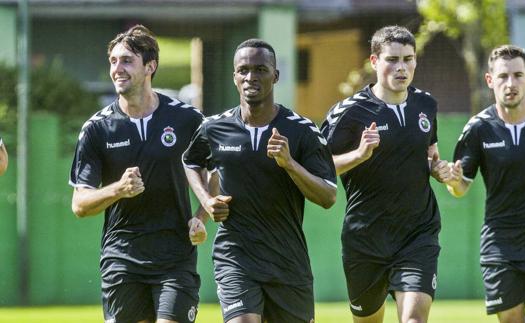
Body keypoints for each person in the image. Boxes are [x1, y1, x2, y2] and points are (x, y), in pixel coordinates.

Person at [182, 38, 337, 323]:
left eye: (260, 69)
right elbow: (191, 161)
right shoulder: (214, 128)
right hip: (236, 257)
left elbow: (328, 196)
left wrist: (290, 164)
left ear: (275, 76)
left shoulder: (302, 131)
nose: (251, 77)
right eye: (243, 70)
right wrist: (206, 201)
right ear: (234, 77)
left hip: (288, 261)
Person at [69, 25, 207, 323]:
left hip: (175, 256)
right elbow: (79, 204)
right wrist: (118, 189)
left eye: (127, 60)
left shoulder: (187, 119)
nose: (117, 68)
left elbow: (216, 169)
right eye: (113, 61)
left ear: (150, 66)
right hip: (122, 258)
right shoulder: (96, 129)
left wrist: (202, 214)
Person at [320, 25, 451, 323]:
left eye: (408, 59)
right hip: (365, 238)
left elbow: (431, 153)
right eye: (392, 59)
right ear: (374, 61)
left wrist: (438, 169)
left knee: (413, 319)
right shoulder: (348, 113)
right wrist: (358, 155)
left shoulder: (426, 104)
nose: (401, 67)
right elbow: (318, 168)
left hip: (418, 234)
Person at [445, 44, 525, 323]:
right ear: (490, 80)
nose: (510, 83)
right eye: (503, 76)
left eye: (517, 75)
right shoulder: (478, 128)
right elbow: (460, 186)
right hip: (501, 248)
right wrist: (453, 182)